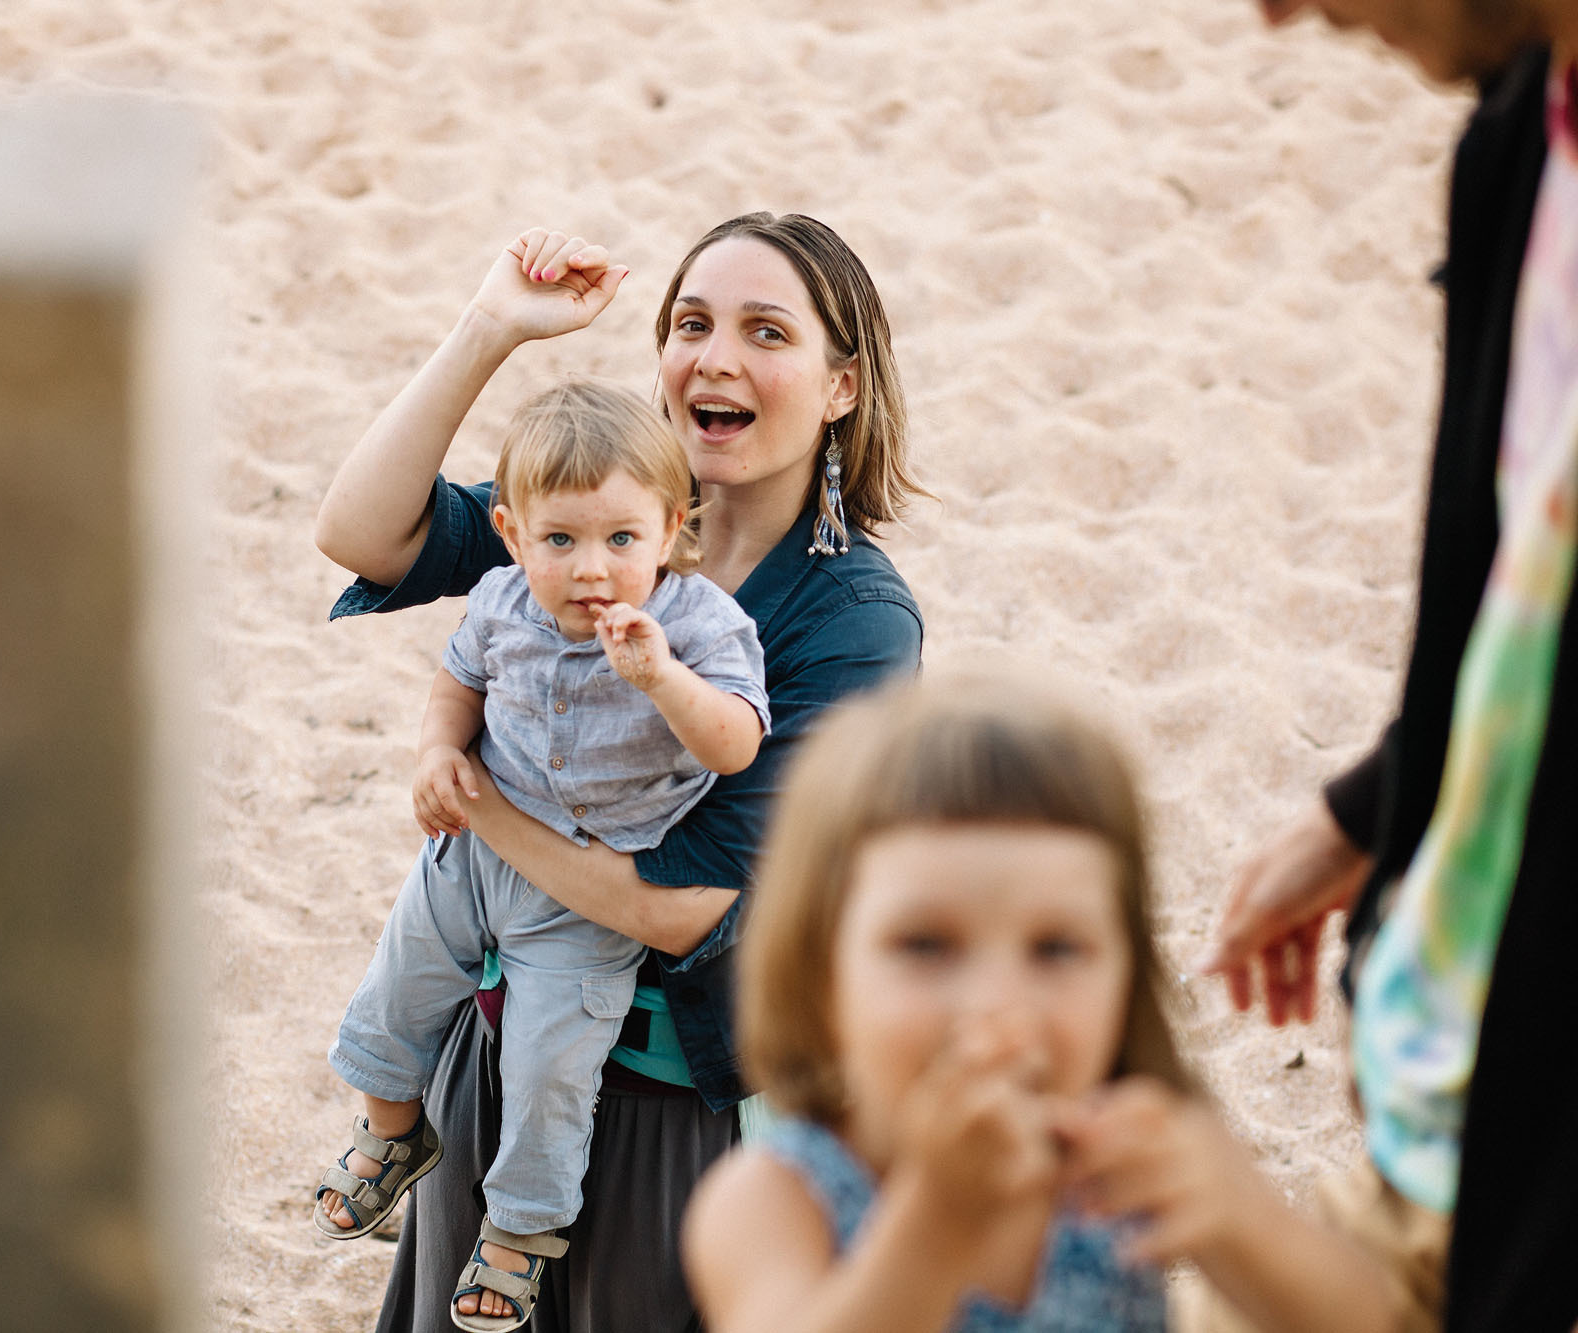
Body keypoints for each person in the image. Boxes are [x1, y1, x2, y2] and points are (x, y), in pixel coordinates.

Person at [312, 213, 925, 1333]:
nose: (716, 357)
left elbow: (686, 908)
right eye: (690, 324)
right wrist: (491, 327)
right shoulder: (592, 523)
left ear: (840, 386)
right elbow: (360, 529)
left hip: (671, 1107)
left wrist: (476, 805)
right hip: (494, 1053)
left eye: (765, 332)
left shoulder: (850, 621)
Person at [1198, 0, 1578, 1325]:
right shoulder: (1520, 147)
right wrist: (1375, 807)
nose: (1282, 11)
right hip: (1452, 1095)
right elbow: (1519, 593)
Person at [684, 672, 1411, 1332]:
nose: (998, 1003)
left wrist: (1243, 1220)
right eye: (926, 945)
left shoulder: (1125, 1164)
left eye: (1057, 948)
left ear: (1127, 977)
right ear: (820, 970)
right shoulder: (773, 1197)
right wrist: (932, 1225)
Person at [314, 380, 770, 1333]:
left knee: (550, 1066)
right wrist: (438, 749)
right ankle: (391, 1137)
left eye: (621, 539)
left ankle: (521, 1232)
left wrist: (663, 677)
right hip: (468, 860)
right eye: (560, 540)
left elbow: (734, 743)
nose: (591, 568)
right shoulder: (500, 598)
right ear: (514, 534)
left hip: (586, 898)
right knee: (394, 995)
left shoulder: (697, 624)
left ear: (672, 528)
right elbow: (459, 678)